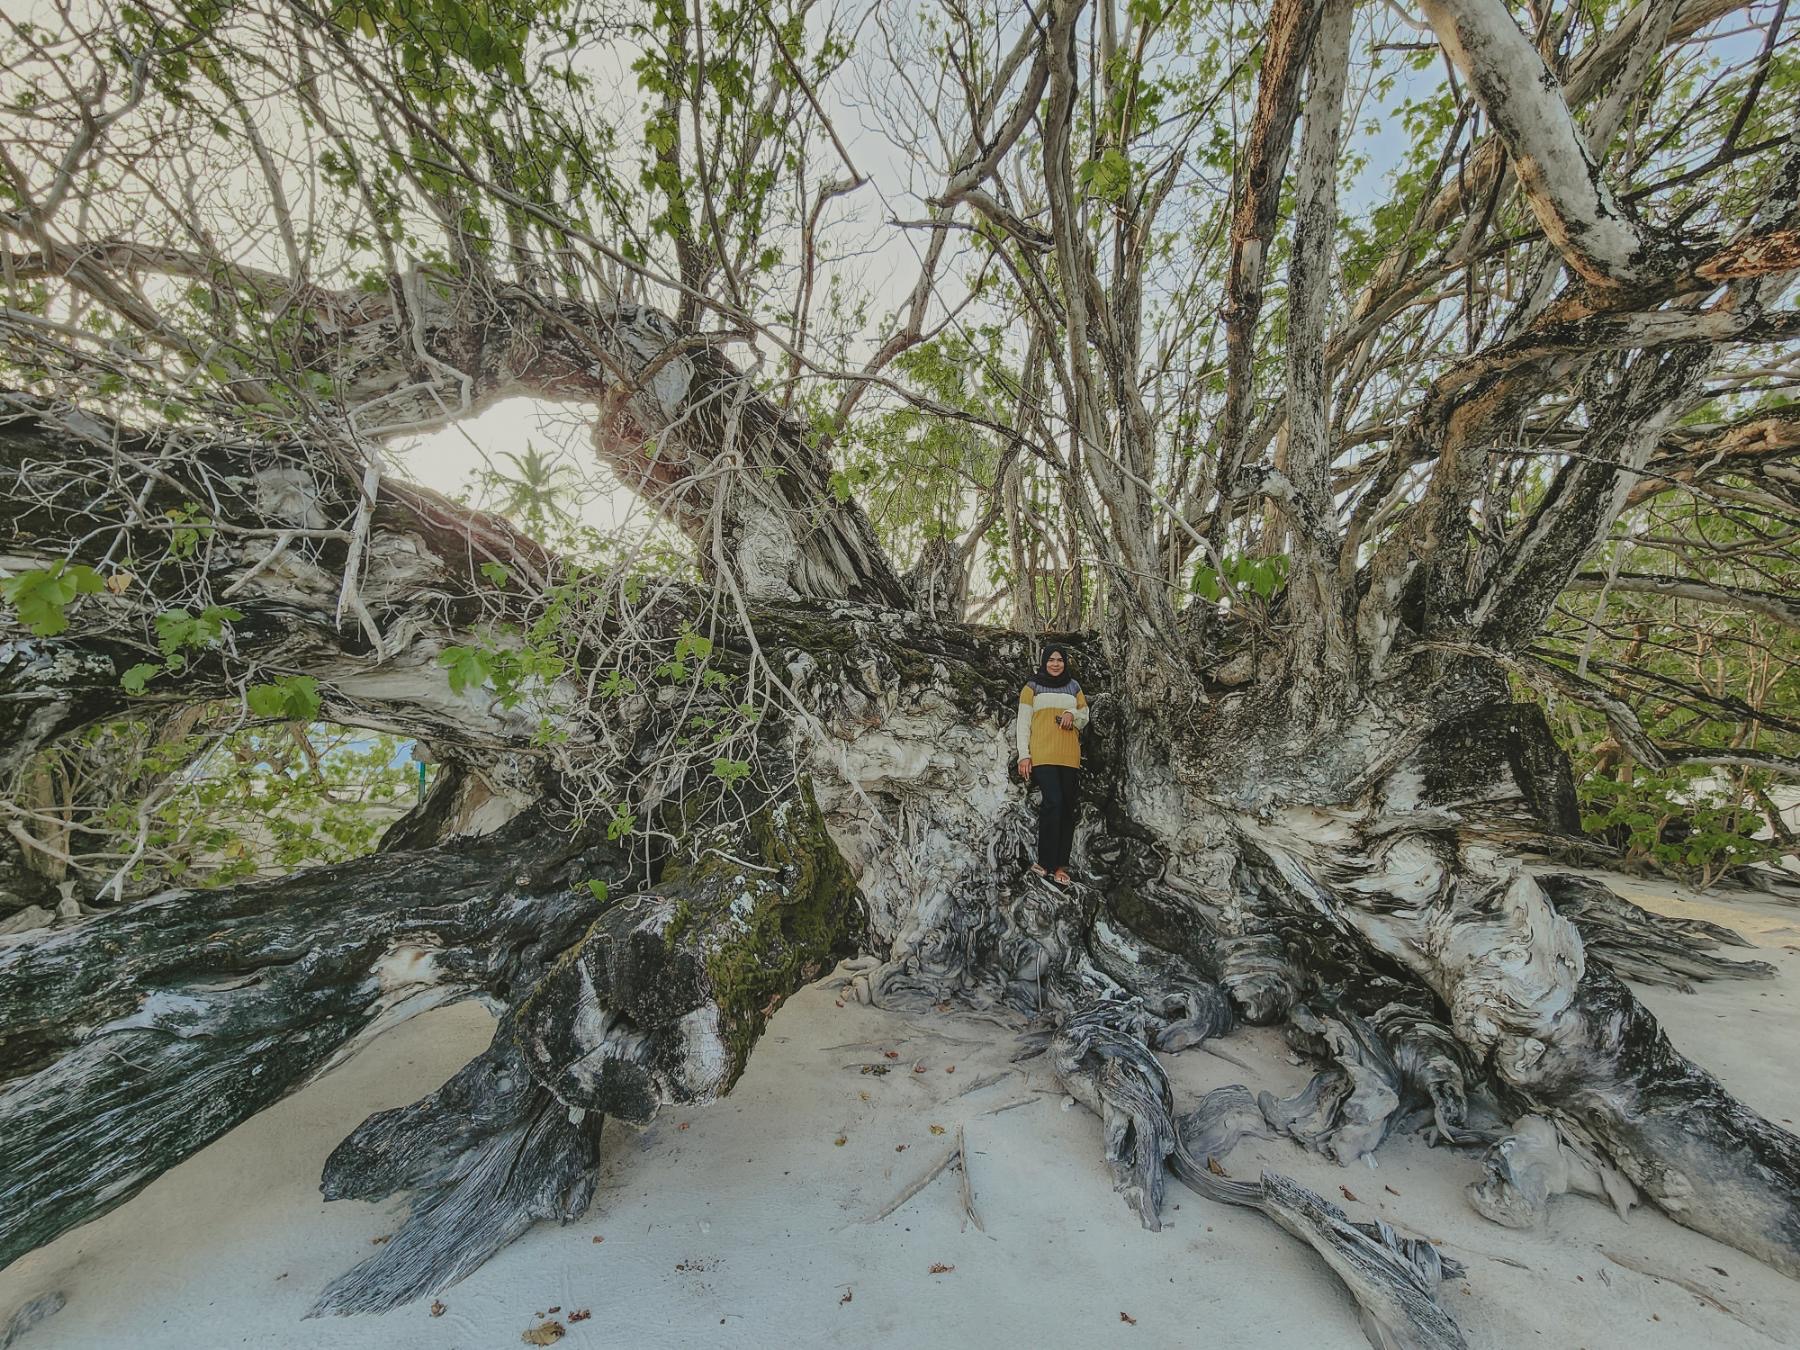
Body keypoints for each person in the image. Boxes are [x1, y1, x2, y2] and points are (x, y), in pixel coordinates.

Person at [1015, 643, 1088, 885]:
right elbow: (1023, 723)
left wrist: (1072, 715)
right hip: (1043, 754)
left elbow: (1084, 715)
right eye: (1051, 660)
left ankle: (1060, 866)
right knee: (1053, 802)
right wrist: (1023, 755)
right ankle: (1044, 862)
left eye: (1059, 660)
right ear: (1044, 661)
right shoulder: (1031, 687)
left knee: (1067, 808)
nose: (1055, 664)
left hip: (1069, 756)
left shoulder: (1074, 687)